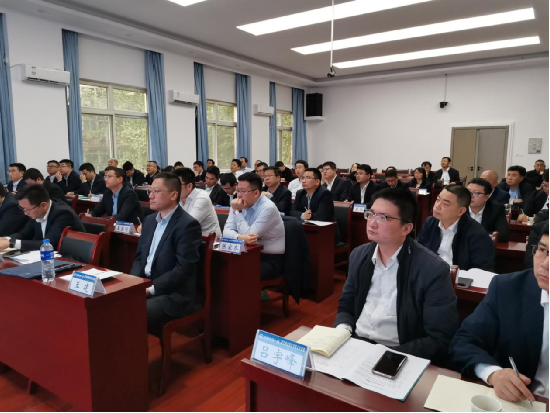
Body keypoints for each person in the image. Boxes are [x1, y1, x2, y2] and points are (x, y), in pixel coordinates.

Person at [334, 188, 458, 363]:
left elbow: (439, 338)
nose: (372, 223)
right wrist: (342, 332)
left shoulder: (432, 270)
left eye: (383, 217)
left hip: (399, 354)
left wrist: (385, 357)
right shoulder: (359, 255)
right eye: (371, 214)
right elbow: (346, 304)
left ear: (406, 228)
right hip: (356, 344)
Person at [450, 224, 549, 402]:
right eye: (542, 250)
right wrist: (493, 374)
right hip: (522, 402)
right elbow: (464, 341)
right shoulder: (508, 288)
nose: (545, 264)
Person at [130, 173, 202, 336]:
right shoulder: (149, 221)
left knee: (131, 310)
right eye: (150, 191)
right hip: (146, 284)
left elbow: (183, 269)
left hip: (173, 294)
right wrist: (133, 283)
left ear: (173, 195)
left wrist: (149, 289)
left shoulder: (187, 225)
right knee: (110, 304)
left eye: (156, 191)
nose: (151, 196)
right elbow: (140, 258)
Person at [417, 185, 496, 271]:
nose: (437, 206)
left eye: (445, 204)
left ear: (461, 211)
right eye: (437, 200)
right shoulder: (431, 222)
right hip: (428, 272)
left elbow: (481, 270)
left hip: (457, 277)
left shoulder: (477, 234)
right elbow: (417, 249)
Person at [223, 173, 285, 281]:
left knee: (239, 273)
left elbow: (250, 234)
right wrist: (240, 238)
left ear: (256, 193)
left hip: (268, 259)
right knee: (222, 268)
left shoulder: (268, 208)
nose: (239, 195)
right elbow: (226, 231)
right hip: (245, 253)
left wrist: (237, 212)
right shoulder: (237, 204)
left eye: (243, 191)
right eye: (238, 191)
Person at [0, 185, 85, 252]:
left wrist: (11, 243)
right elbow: (24, 234)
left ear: (44, 205)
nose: (25, 213)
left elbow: (49, 243)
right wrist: (5, 239)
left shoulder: (63, 214)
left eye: (28, 209)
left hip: (71, 259)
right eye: (23, 209)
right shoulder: (36, 211)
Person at [175, 168, 221, 237]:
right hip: (189, 236)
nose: (172, 189)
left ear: (189, 186)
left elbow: (188, 224)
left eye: (176, 185)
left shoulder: (202, 198)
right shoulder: (178, 198)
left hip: (208, 240)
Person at [468, 178, 509, 242]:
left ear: (486, 197)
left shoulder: (496, 209)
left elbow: (503, 235)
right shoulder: (458, 206)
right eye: (468, 192)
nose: (471, 196)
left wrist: (474, 234)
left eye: (476, 193)